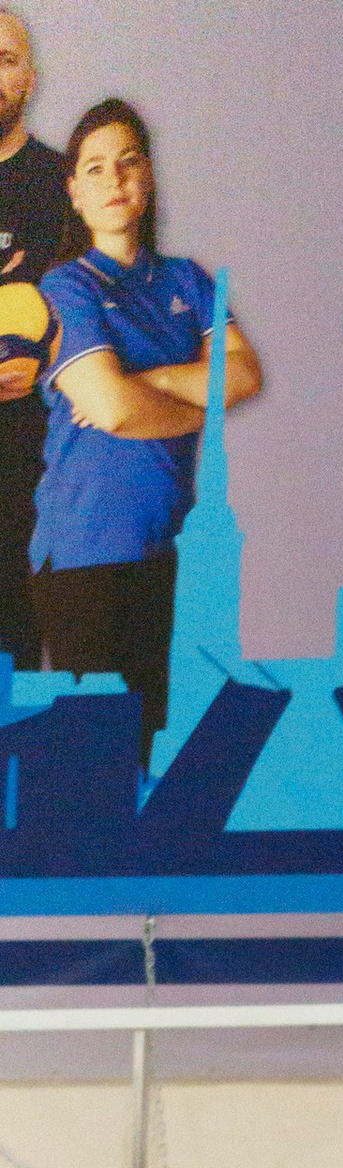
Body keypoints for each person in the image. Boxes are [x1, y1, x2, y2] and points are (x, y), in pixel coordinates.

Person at [32, 96, 261, 739]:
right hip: (86, 556)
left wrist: (151, 382)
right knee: (97, 760)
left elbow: (244, 376)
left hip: (167, 552)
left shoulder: (188, 279)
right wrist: (195, 407)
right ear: (74, 191)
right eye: (96, 168)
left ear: (149, 176)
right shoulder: (64, 288)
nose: (114, 179)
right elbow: (108, 407)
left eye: (128, 162)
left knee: (159, 745)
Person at [0, 13, 69, 673]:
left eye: (6, 60)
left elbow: (102, 309)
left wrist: (45, 358)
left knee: (14, 644)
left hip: (29, 465)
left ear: (31, 77)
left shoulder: (64, 184)